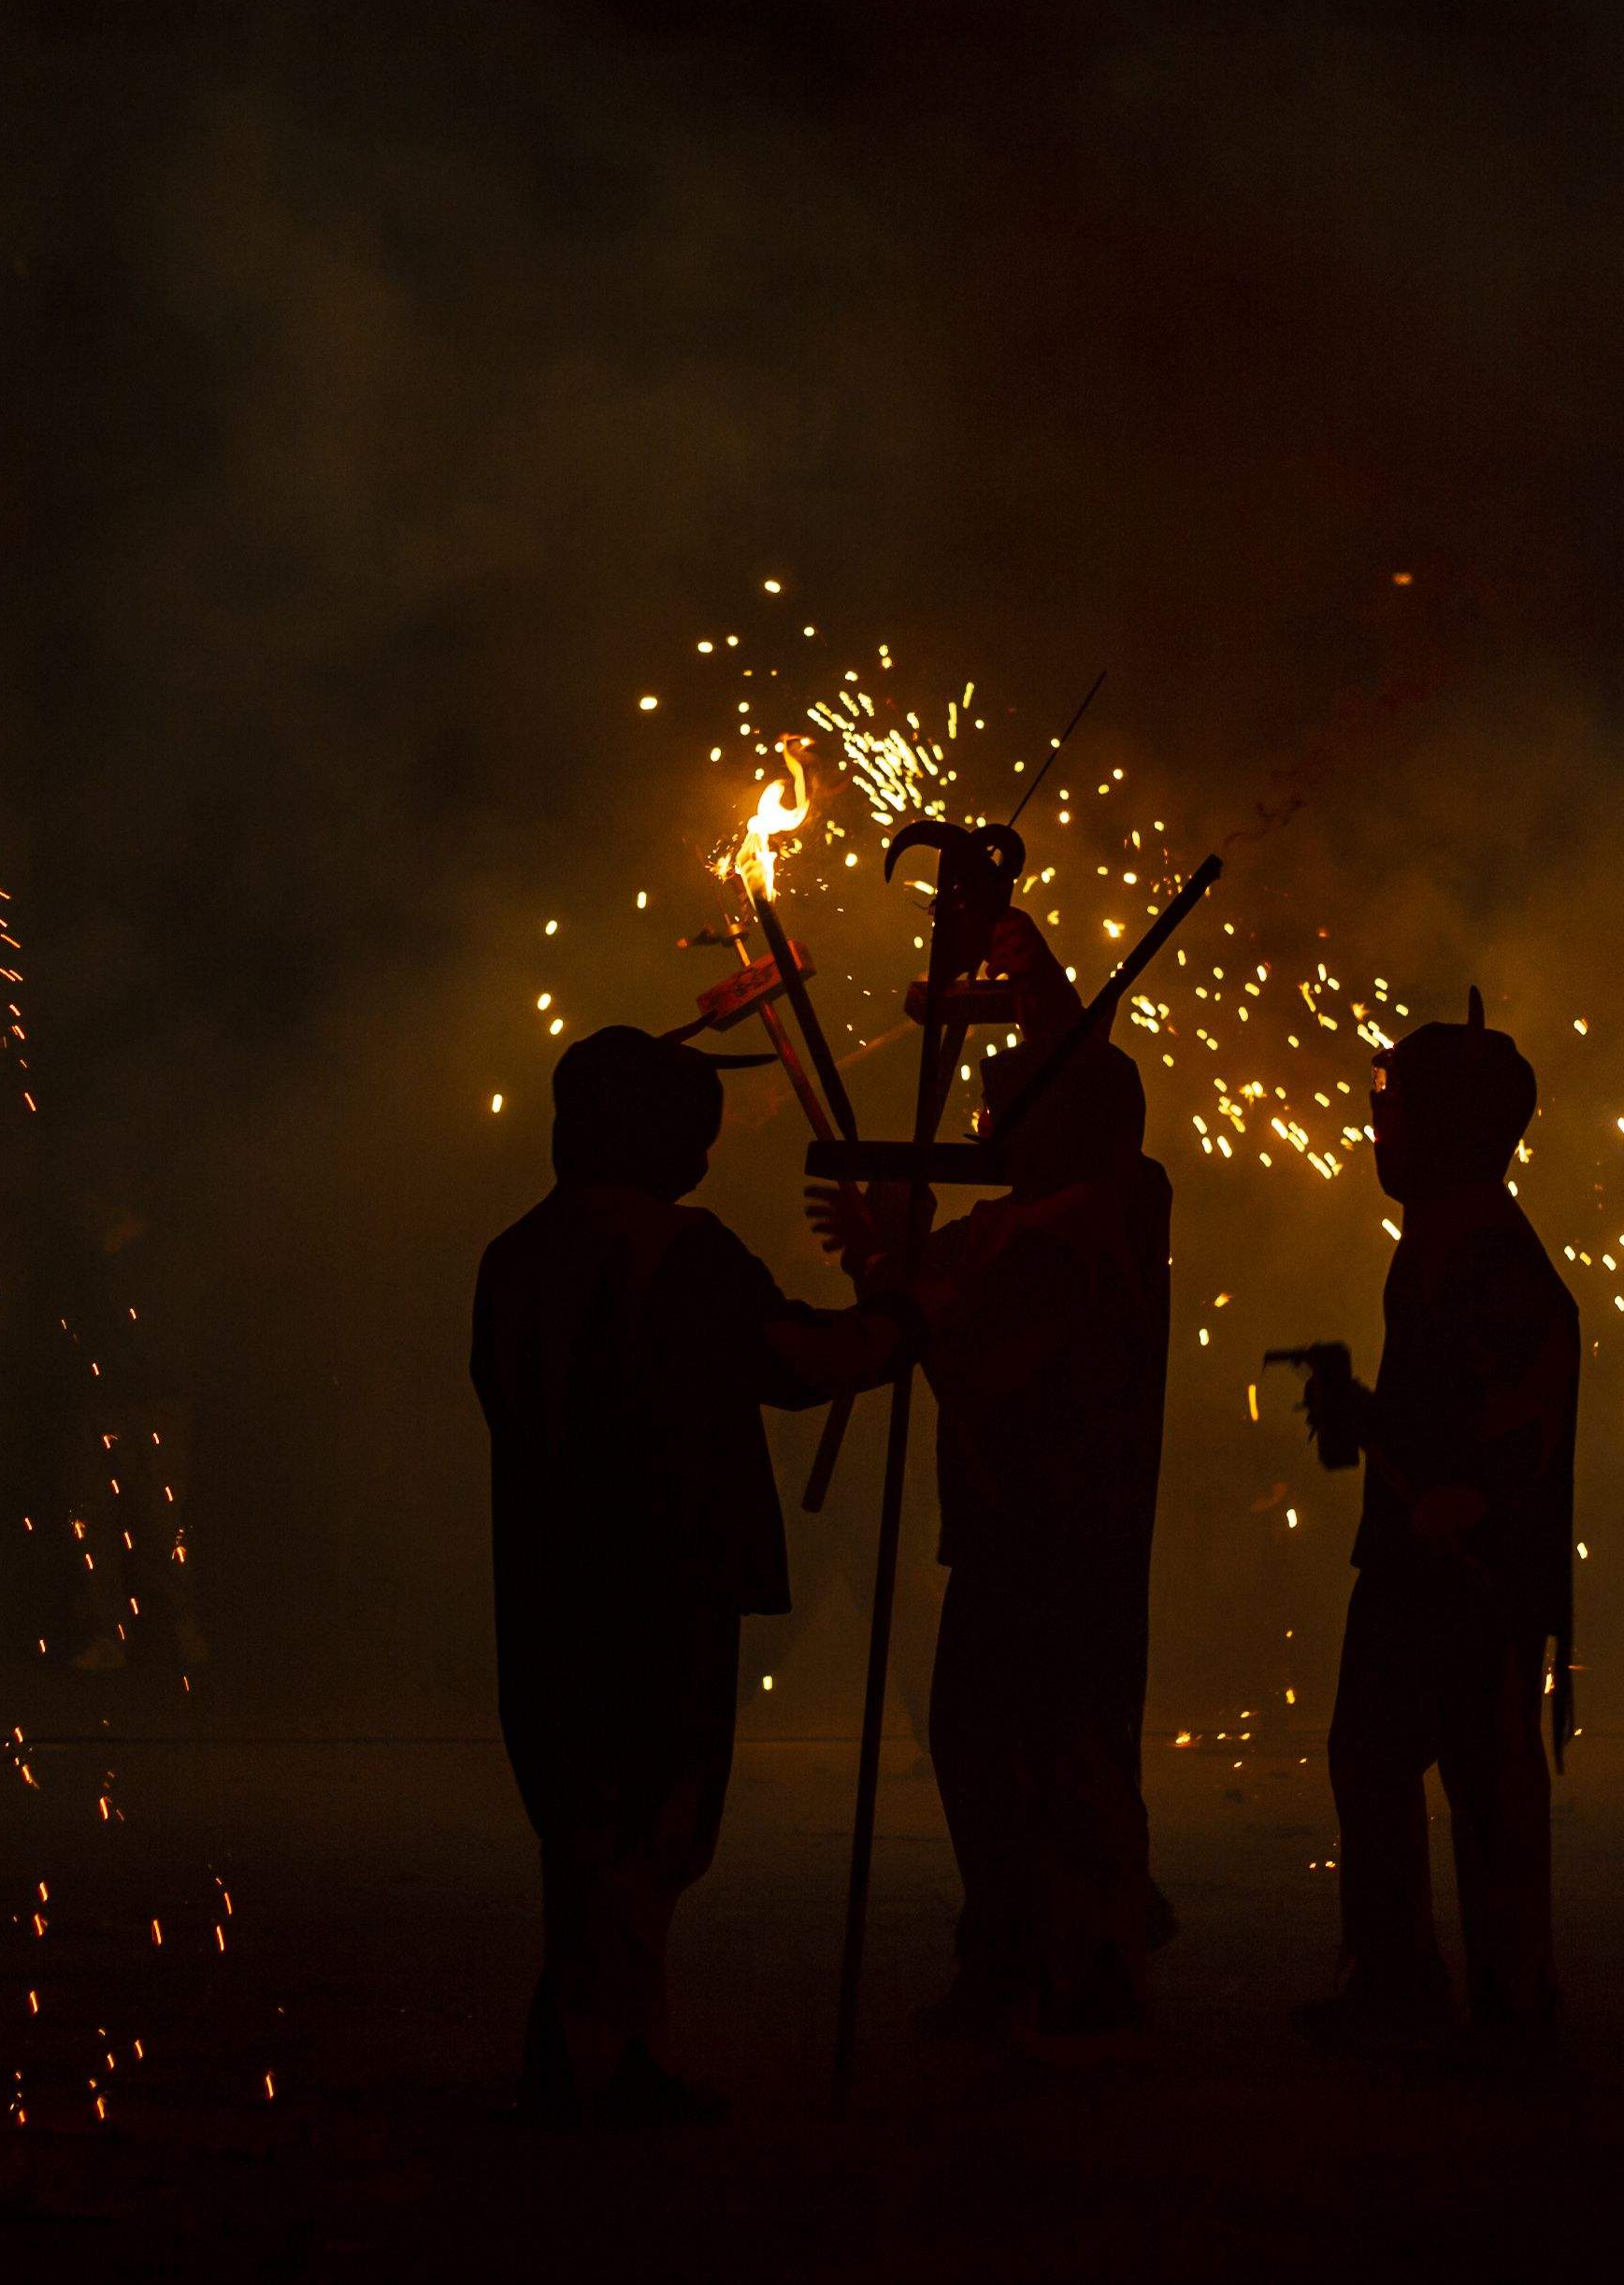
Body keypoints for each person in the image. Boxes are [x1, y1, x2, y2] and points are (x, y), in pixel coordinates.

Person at [472, 1026, 909, 2126]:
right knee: (645, 1833)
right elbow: (797, 1363)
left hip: (544, 1584)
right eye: (691, 1130)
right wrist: (899, 1313)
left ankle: (586, 2049)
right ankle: (600, 2067)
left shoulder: (512, 1254)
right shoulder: (681, 1250)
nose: (707, 1155)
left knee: (581, 1829)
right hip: (656, 1584)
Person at [814, 910, 1174, 2037]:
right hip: (1035, 1531)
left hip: (1046, 1534)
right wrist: (1033, 974)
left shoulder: (1075, 1228)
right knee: (1022, 1738)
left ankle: (1063, 1950)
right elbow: (953, 1280)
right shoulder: (1074, 1211)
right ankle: (1043, 1942)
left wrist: (887, 1270)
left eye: (1001, 1101)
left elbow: (973, 1351)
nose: (979, 1117)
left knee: (1027, 1744)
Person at [1289, 989, 1579, 2042]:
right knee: (1390, 1757)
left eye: (1396, 1114)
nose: (1379, 1135)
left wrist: (1472, 1499)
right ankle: (1423, 1979)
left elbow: (1513, 1398)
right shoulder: (1443, 1236)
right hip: (1430, 1551)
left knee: (1479, 1773)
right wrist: (1372, 1420)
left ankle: (1494, 1992)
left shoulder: (1483, 1249)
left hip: (1464, 1563)